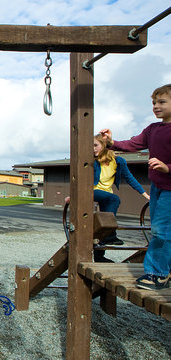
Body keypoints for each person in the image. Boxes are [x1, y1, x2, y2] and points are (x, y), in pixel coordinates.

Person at [100, 83, 171, 290]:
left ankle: (157, 274)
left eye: (162, 102)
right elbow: (133, 144)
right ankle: (164, 270)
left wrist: (167, 168)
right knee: (161, 229)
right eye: (153, 103)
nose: (156, 106)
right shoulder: (153, 129)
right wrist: (110, 142)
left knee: (161, 231)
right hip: (158, 187)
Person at [92, 133, 149, 263]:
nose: (93, 149)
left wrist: (146, 195)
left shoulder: (118, 162)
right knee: (114, 200)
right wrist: (72, 196)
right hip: (92, 191)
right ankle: (110, 235)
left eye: (95, 145)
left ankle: (99, 257)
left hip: (107, 194)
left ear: (105, 145)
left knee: (102, 222)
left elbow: (130, 179)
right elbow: (80, 178)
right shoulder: (91, 161)